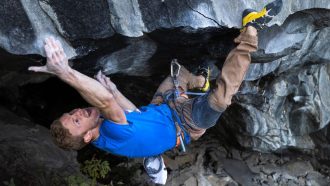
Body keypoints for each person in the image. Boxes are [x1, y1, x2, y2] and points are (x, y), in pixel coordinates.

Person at [28, 0, 282, 184]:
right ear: (86, 137)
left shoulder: (104, 134)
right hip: (187, 123)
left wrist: (115, 90)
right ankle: (251, 32)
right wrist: (65, 72)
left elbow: (131, 112)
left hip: (164, 106)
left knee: (179, 71)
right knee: (222, 96)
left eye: (71, 113)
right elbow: (104, 102)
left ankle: (195, 84)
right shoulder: (110, 130)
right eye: (76, 120)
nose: (77, 112)